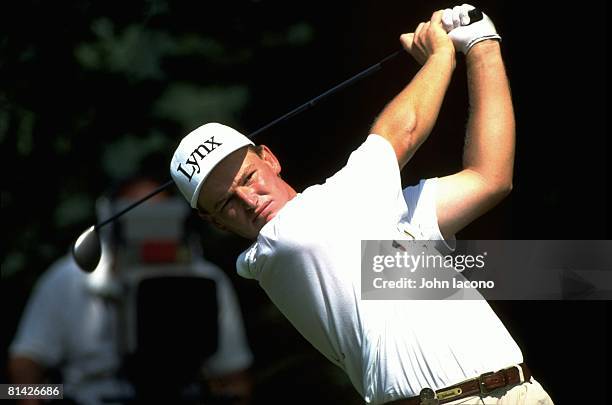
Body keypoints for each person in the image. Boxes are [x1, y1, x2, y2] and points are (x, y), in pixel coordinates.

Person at [169, 5, 553, 405]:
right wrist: (440, 54)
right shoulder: (285, 244)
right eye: (226, 202)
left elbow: (489, 179)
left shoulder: (365, 214)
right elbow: (400, 132)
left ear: (269, 158)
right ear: (213, 221)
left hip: (522, 392)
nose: (249, 200)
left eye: (248, 177)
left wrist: (482, 48)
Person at [8, 177, 253, 405]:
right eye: (138, 215)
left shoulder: (206, 282)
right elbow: (21, 372)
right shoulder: (69, 280)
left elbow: (235, 380)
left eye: (159, 217)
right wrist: (55, 394)